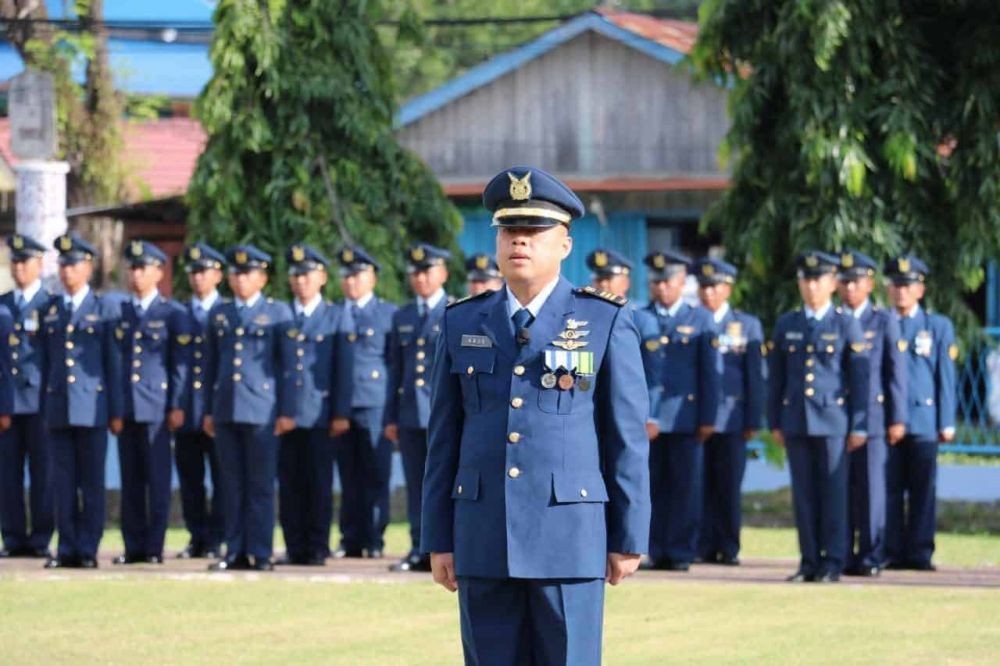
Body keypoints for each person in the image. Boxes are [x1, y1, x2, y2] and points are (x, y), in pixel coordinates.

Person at [422, 166, 650, 665]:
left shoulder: (603, 319)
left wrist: (629, 536)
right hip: (482, 534)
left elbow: (625, 437)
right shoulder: (461, 320)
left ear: (565, 245)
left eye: (534, 232)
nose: (519, 242)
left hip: (568, 536)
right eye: (509, 231)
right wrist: (438, 537)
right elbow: (444, 437)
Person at [768, 251, 868, 583]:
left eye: (818, 280)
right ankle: (809, 560)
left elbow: (859, 380)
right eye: (806, 280)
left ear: (831, 283)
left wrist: (858, 424)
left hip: (833, 421)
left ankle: (833, 561)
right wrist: (775, 420)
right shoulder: (788, 323)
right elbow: (777, 378)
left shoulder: (844, 323)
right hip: (796, 419)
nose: (811, 287)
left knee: (834, 495)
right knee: (804, 496)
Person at [203, 245, 295, 572]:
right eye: (236, 274)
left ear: (262, 277)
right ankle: (234, 550)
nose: (240, 280)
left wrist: (287, 411)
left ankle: (261, 551)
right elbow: (210, 366)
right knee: (230, 484)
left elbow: (287, 367)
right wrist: (208, 410)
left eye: (247, 273)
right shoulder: (221, 314)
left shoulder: (278, 313)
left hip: (262, 410)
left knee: (259, 485)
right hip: (226, 408)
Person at [40, 233, 123, 569]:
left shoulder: (104, 310)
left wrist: (116, 412)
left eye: (73, 265)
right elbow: (46, 364)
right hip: (59, 408)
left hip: (92, 409)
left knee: (90, 483)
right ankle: (67, 547)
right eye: (63, 265)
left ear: (88, 267)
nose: (67, 272)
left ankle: (88, 547)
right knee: (62, 483)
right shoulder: (51, 311)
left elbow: (113, 366)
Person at [640, 250, 721, 571]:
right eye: (655, 282)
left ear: (681, 282)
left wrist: (708, 417)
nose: (661, 288)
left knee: (686, 488)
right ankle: (656, 548)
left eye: (667, 281)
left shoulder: (699, 318)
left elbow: (709, 374)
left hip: (686, 418)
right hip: (648, 420)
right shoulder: (640, 316)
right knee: (652, 487)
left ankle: (682, 551)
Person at [112, 240, 188, 566]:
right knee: (131, 482)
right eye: (132, 268)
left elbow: (179, 364)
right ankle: (133, 547)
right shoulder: (120, 313)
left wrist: (176, 405)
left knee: (157, 481)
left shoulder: (172, 313)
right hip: (128, 408)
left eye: (143, 268)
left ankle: (154, 546)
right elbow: (115, 366)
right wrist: (115, 409)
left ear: (159, 272)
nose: (136, 274)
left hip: (157, 408)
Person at [837, 251, 907, 577]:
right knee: (843, 489)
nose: (849, 288)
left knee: (871, 490)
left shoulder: (882, 320)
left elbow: (895, 372)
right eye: (844, 281)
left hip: (874, 418)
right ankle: (844, 552)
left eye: (856, 281)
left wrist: (898, 417)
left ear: (869, 283)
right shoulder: (834, 318)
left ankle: (871, 553)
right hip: (837, 418)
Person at [884, 255, 956, 572]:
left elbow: (945, 376)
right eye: (896, 285)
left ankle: (920, 551)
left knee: (923, 491)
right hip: (887, 421)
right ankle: (891, 549)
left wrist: (947, 421)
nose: (901, 292)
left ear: (920, 289)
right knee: (889, 489)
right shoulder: (880, 323)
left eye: (907, 285)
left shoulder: (936, 326)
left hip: (924, 421)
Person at [277, 243, 347, 566]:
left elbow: (341, 370)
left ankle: (318, 546)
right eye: (296, 276)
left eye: (307, 275)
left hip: (320, 415)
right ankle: (294, 546)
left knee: (319, 485)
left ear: (321, 277)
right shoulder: (280, 315)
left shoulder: (334, 315)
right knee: (290, 486)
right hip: (286, 417)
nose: (301, 281)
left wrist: (340, 413)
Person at [384, 243, 451, 573]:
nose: (421, 278)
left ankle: (443, 547)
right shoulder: (403, 316)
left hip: (443, 415)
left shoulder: (456, 311)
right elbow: (394, 371)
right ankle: (417, 547)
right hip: (410, 413)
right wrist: (391, 416)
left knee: (443, 483)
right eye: (415, 273)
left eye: (427, 271)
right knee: (415, 485)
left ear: (443, 274)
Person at [693, 257, 764, 566]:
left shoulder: (746, 324)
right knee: (699, 487)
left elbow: (755, 376)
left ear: (728, 288)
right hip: (696, 419)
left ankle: (729, 546)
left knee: (729, 487)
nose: (709, 293)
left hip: (733, 419)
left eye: (715, 286)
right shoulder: (691, 321)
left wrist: (753, 418)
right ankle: (703, 544)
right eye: (704, 287)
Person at [331, 246, 396, 560]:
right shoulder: (334, 313)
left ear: (372, 277)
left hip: (375, 404)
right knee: (347, 477)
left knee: (376, 474)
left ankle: (374, 537)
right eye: (346, 277)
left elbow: (393, 364)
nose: (351, 282)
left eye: (357, 275)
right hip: (340, 407)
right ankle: (349, 537)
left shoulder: (387, 314)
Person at [0, 234, 53, 559]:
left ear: (39, 264)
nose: (20, 267)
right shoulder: (1, 304)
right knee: (7, 475)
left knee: (44, 474)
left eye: (26, 261)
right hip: (6, 403)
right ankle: (13, 537)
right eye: (15, 261)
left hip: (40, 404)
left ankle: (41, 537)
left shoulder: (49, 305)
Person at [174, 243, 227, 559]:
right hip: (186, 410)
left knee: (222, 477)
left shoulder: (227, 312)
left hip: (218, 410)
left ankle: (218, 536)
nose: (197, 278)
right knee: (190, 479)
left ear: (218, 275)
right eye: (193, 272)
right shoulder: (178, 314)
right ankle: (197, 536)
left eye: (203, 271)